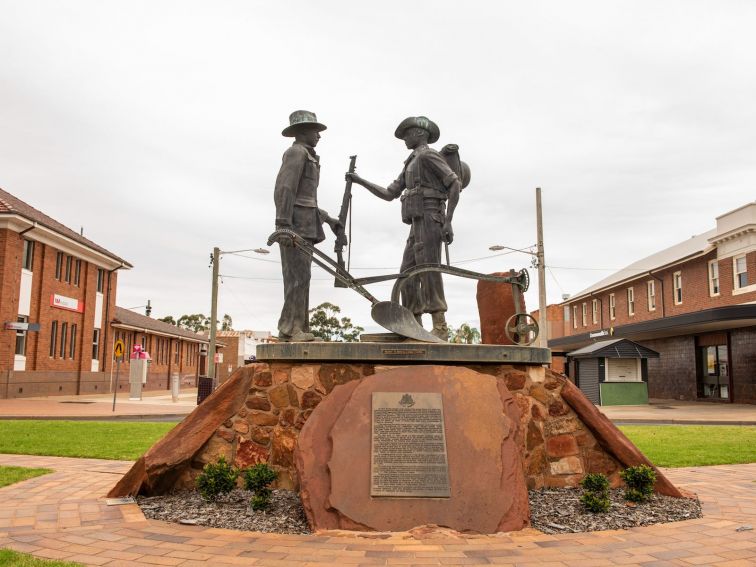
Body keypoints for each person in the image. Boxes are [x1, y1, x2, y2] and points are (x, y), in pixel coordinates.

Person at [347, 116, 461, 340]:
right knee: (406, 275)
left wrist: (448, 221)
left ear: (420, 133)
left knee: (428, 270)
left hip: (430, 218)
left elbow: (454, 183)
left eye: (407, 134)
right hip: (417, 221)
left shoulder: (428, 155)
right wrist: (359, 181)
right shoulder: (411, 162)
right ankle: (413, 322)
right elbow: (390, 193)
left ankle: (440, 325)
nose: (404, 139)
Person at [272, 110, 341, 342]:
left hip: (306, 225)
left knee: (303, 277)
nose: (319, 136)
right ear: (302, 132)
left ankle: (298, 327)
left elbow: (307, 200)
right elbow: (285, 189)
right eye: (315, 131)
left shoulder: (309, 156)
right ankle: (290, 328)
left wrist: (329, 219)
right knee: (296, 278)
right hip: (294, 228)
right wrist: (283, 225)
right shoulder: (295, 153)